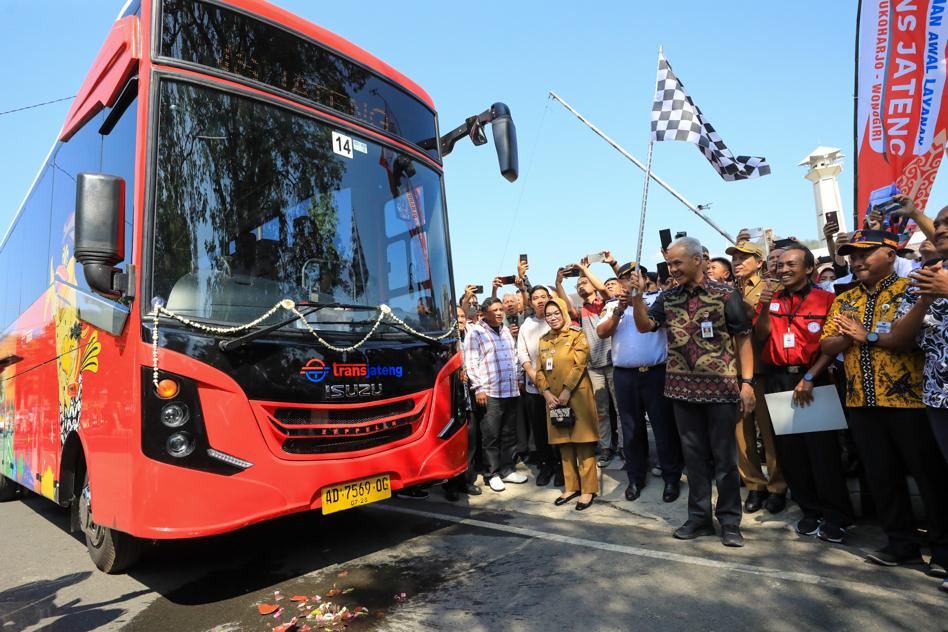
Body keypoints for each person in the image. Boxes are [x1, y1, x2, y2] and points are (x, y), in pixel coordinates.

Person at [820, 229, 948, 570]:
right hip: (861, 400)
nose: (857, 261)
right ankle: (900, 543)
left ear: (891, 254)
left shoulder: (912, 290)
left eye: (866, 253)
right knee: (881, 475)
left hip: (908, 401)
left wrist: (865, 335)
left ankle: (942, 548)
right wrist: (854, 338)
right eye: (853, 255)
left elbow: (906, 341)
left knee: (929, 476)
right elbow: (827, 344)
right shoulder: (845, 299)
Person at [629, 237, 756, 547]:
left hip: (722, 390)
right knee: (694, 459)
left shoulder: (726, 294)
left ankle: (729, 522)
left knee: (724, 459)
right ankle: (699, 518)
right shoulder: (667, 297)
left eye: (677, 263)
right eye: (669, 264)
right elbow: (646, 326)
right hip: (681, 391)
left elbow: (743, 338)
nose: (672, 270)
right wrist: (636, 300)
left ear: (698, 260)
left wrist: (747, 383)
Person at [754, 245, 854, 542]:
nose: (782, 270)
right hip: (777, 379)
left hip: (814, 378)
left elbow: (834, 341)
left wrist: (811, 376)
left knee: (823, 452)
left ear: (809, 268)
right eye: (780, 265)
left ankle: (837, 515)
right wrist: (764, 305)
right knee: (792, 452)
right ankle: (810, 510)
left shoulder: (826, 299)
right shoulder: (771, 299)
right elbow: (760, 335)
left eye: (790, 265)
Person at [597, 262, 683, 503]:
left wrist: (637, 301)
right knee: (631, 429)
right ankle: (635, 477)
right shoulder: (612, 305)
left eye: (634, 278)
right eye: (624, 279)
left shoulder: (660, 300)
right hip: (625, 375)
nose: (628, 283)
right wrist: (619, 310)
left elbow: (654, 324)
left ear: (645, 279)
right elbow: (602, 333)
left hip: (656, 372)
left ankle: (671, 476)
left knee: (663, 427)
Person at [727, 240, 787, 514]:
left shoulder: (770, 288)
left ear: (759, 263)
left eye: (744, 257)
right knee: (742, 435)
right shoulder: (726, 291)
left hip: (762, 369)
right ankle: (754, 485)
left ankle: (777, 486)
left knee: (770, 433)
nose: (737, 261)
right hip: (730, 372)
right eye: (735, 257)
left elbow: (765, 327)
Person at [534, 297, 600, 510]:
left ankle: (588, 490)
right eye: (548, 315)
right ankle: (571, 487)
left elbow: (579, 365)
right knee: (564, 444)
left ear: (564, 313)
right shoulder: (544, 340)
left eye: (556, 313)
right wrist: (545, 392)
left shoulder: (577, 334)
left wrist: (566, 390)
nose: (552, 318)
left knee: (583, 443)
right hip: (554, 401)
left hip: (576, 397)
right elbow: (539, 371)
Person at [462, 298, 528, 492]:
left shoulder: (506, 331)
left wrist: (517, 378)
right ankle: (492, 473)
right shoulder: (476, 333)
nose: (500, 313)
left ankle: (508, 470)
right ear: (484, 313)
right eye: (495, 310)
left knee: (509, 433)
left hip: (510, 390)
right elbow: (471, 362)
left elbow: (514, 356)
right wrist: (478, 388)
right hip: (490, 392)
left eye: (501, 309)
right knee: (491, 436)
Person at [569, 261, 620, 467]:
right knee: (601, 410)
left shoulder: (604, 303)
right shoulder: (580, 310)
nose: (581, 286)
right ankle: (606, 447)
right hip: (593, 366)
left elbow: (601, 289)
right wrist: (558, 282)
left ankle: (625, 447)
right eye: (578, 284)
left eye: (584, 282)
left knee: (619, 407)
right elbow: (564, 305)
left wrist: (584, 270)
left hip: (612, 361)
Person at [517, 285, 558, 486]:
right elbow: (522, 353)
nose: (540, 301)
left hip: (557, 386)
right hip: (535, 387)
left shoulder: (556, 321)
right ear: (530, 302)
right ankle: (546, 465)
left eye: (544, 297)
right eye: (535, 298)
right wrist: (532, 374)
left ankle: (561, 465)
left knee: (559, 426)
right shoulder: (526, 325)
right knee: (540, 429)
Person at [443, 305, 484, 501]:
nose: (459, 319)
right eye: (455, 316)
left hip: (470, 396)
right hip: (450, 398)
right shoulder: (443, 339)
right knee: (452, 443)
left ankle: (466, 481)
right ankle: (450, 484)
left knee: (471, 440)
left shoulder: (472, 334)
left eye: (461, 316)